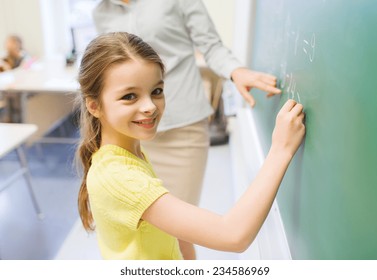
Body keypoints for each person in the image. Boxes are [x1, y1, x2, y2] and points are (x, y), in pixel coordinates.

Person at [76, 32, 305, 260]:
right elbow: (233, 235)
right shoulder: (120, 177)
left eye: (156, 91)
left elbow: (167, 233)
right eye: (129, 96)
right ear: (94, 106)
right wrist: (281, 150)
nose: (150, 107)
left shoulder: (127, 152)